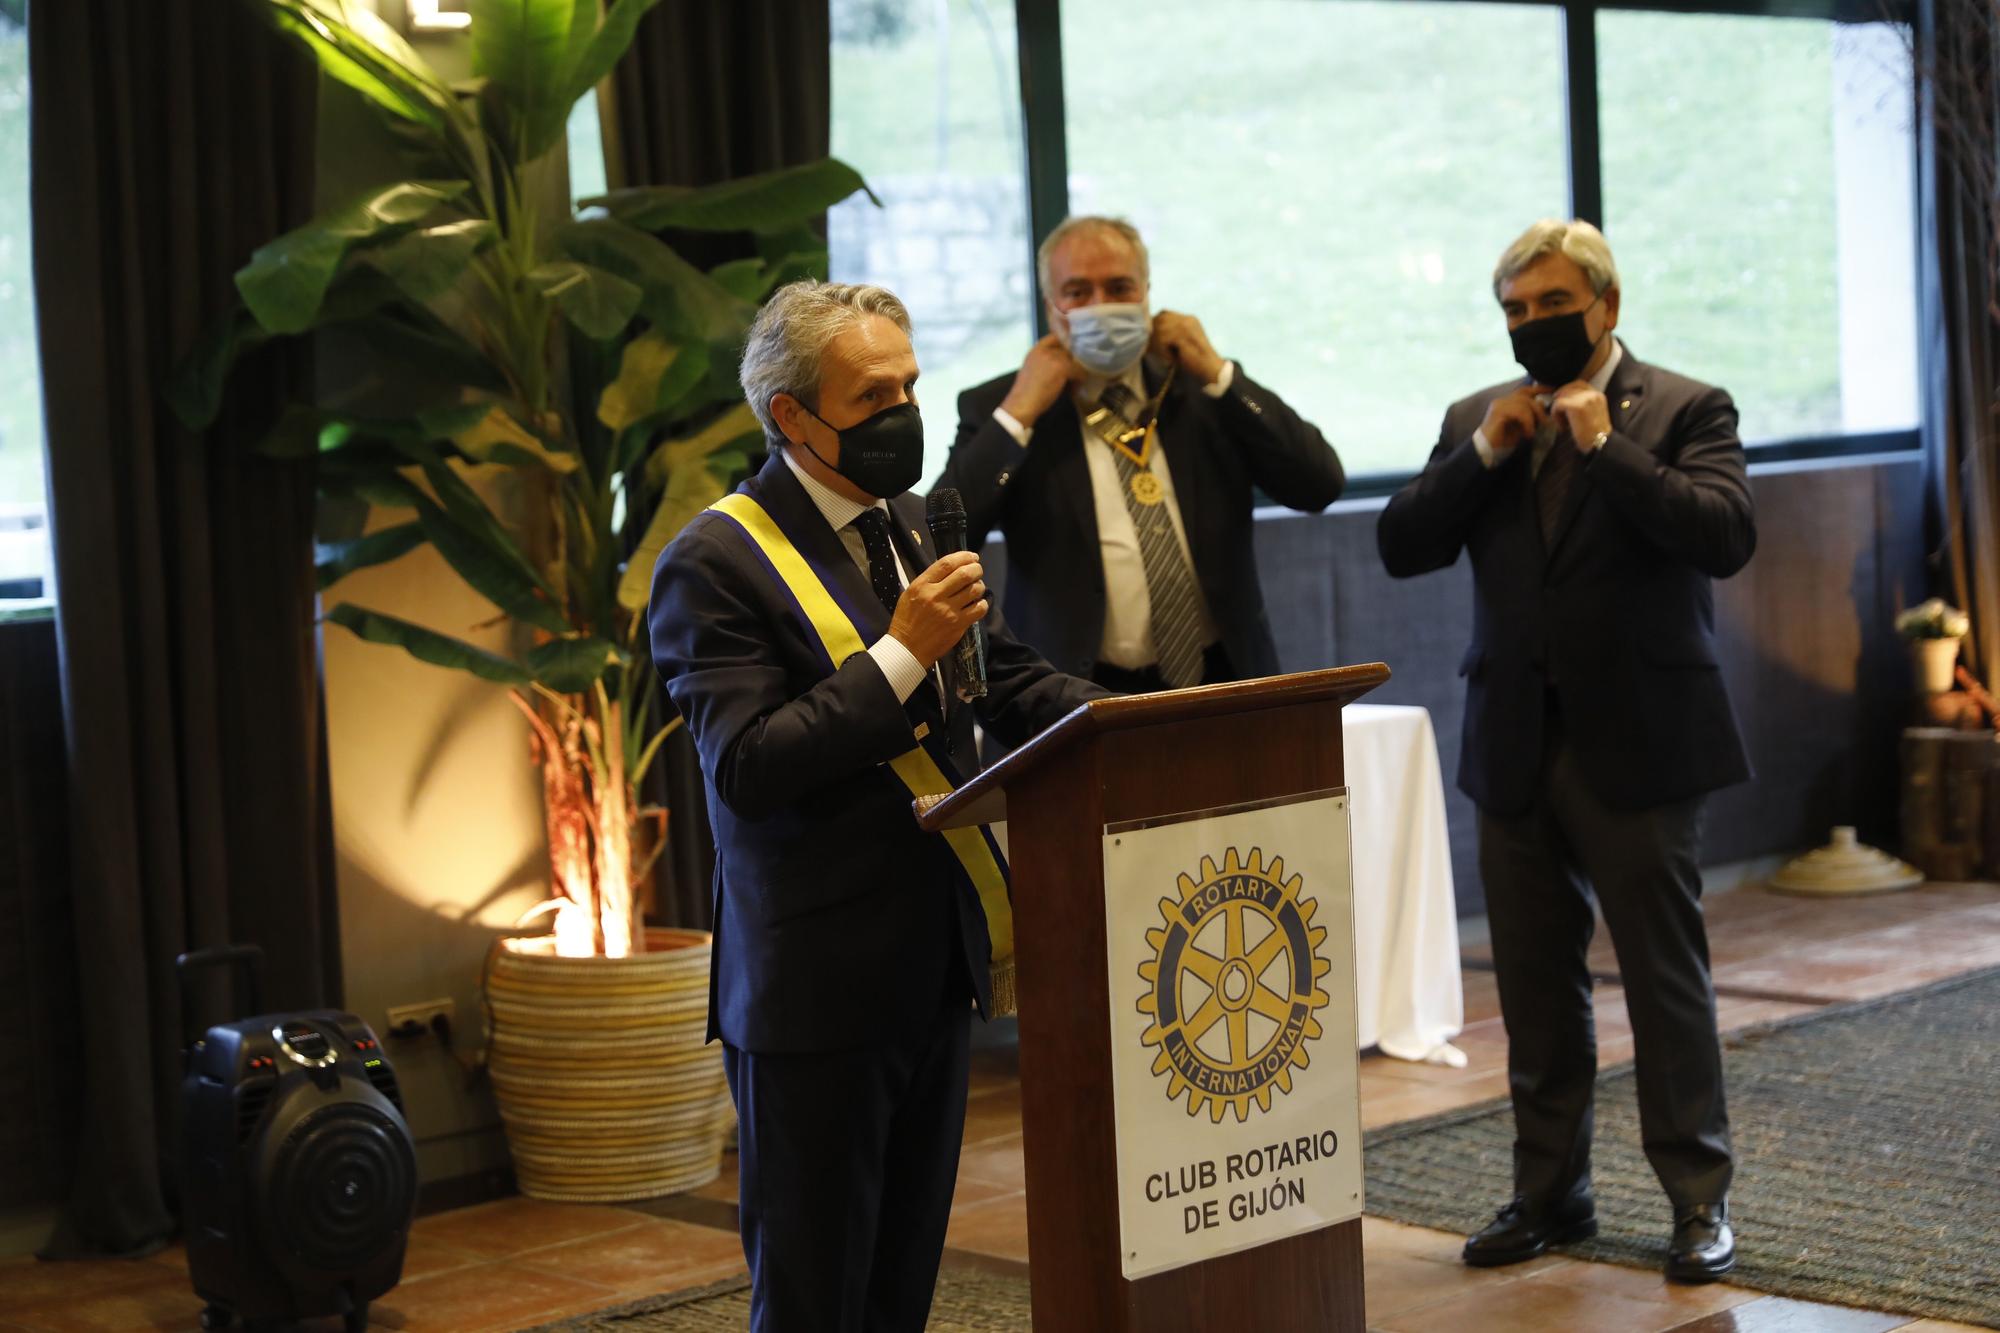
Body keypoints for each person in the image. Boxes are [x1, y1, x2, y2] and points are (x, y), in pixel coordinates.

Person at [647, 279, 1103, 1332]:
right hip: (814, 989)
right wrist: (899, 651)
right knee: (814, 1295)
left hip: (930, 964)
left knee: (900, 1284)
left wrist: (1150, 719)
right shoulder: (714, 562)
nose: (902, 411)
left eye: (907, 383)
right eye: (871, 395)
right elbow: (747, 766)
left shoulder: (907, 519)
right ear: (792, 417)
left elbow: (994, 677)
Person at [1376, 219, 1755, 1283]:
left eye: (1549, 305)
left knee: (1660, 982)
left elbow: (1721, 535)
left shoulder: (1684, 406)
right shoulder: (1474, 418)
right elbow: (1402, 542)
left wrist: (1604, 447)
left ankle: (1695, 1202)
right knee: (1536, 991)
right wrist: (1485, 453)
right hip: (1511, 741)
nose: (1530, 327)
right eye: (1512, 312)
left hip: (1640, 741)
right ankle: (1550, 1194)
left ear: (1605, 305)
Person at [939, 215, 1345, 692]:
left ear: (1147, 293)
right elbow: (944, 539)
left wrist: (1218, 373)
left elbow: (1318, 483)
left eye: (1119, 287)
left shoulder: (1200, 390)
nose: (1101, 307)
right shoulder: (1004, 405)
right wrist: (1017, 415)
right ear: (1051, 307)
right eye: (1078, 292)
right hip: (1066, 693)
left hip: (1221, 681)